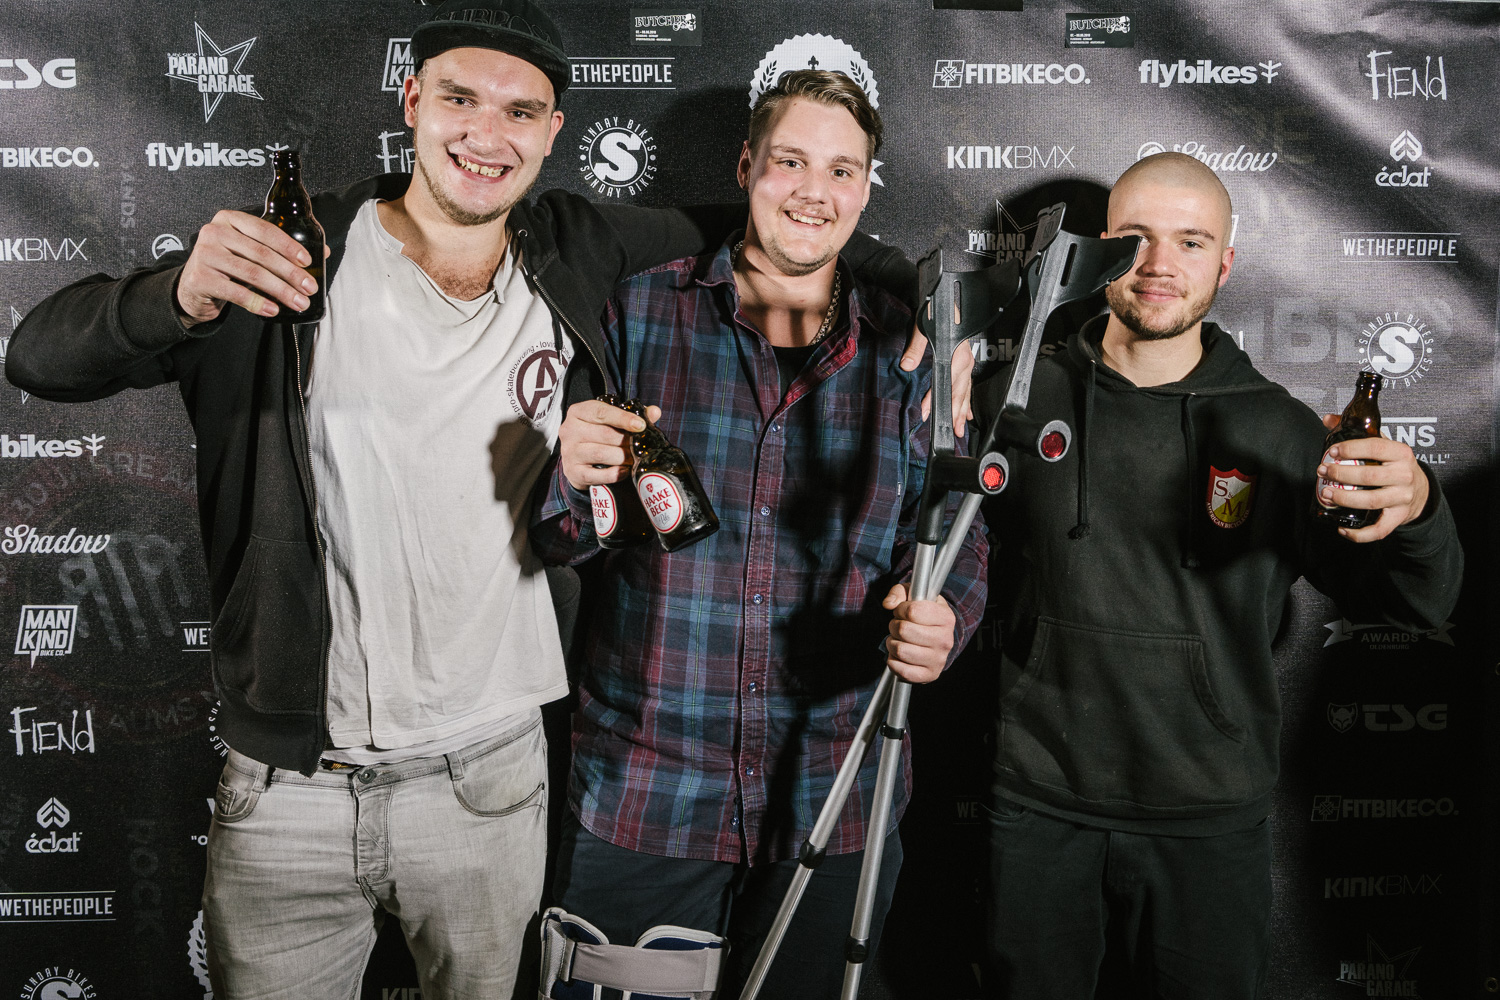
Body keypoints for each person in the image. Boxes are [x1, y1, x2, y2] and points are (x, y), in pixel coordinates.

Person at [4, 2, 914, 996]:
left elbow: (781, 227)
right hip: (294, 786)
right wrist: (173, 295)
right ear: (412, 101)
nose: (489, 134)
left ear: (555, 131)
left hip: (490, 781)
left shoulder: (574, 248)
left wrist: (905, 296)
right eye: (461, 100)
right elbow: (40, 355)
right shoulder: (296, 262)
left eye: (522, 111)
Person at [530, 69, 989, 998]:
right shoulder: (636, 312)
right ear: (745, 167)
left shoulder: (915, 350)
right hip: (647, 793)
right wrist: (571, 480)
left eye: (842, 170)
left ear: (866, 189)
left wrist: (947, 615)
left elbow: (957, 531)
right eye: (789, 161)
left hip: (835, 792)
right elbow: (567, 536)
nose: (815, 191)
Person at [969, 151, 1463, 999]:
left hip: (1207, 822)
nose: (1160, 266)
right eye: (1136, 238)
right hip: (1041, 805)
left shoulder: (1278, 431)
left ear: (1225, 263)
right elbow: (945, 559)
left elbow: (1421, 604)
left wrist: (1417, 509)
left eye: (1191, 243)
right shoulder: (1015, 397)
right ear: (1098, 249)